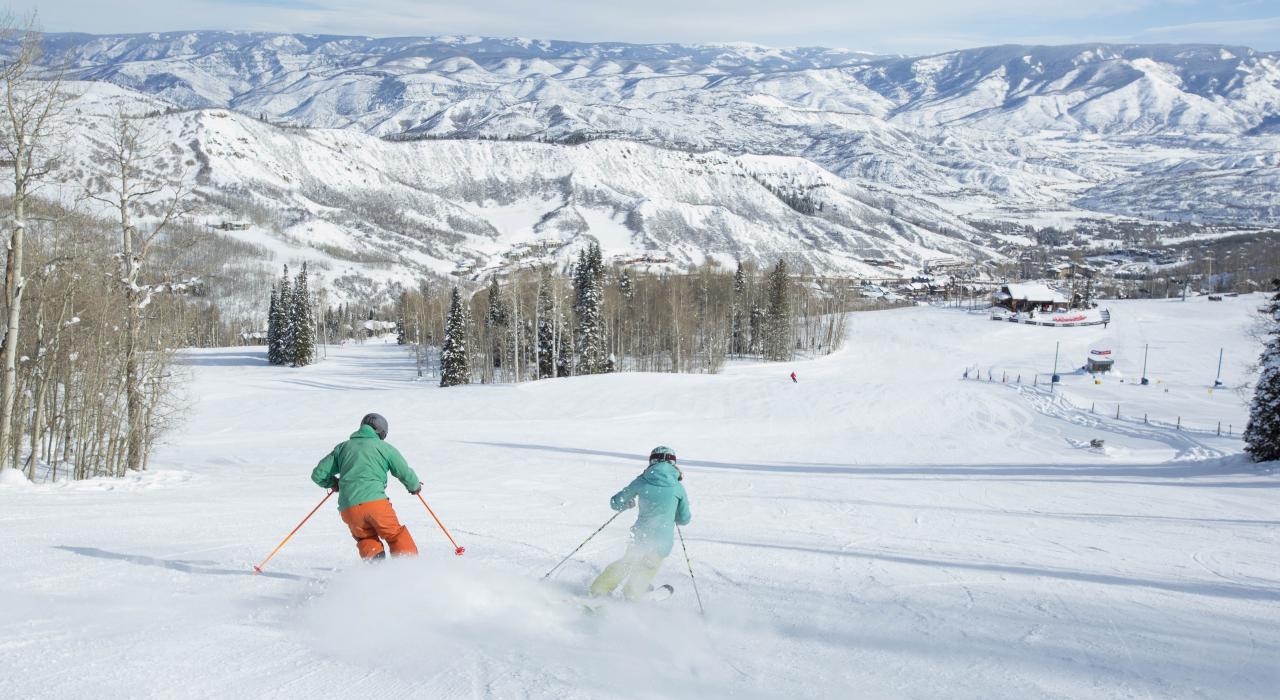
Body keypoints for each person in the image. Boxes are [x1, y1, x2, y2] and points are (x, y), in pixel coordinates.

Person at [311, 413, 421, 560]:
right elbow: (403, 471)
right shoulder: (384, 448)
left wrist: (333, 483)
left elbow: (318, 474)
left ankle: (374, 577)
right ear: (381, 432)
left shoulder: (343, 448)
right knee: (395, 535)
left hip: (349, 508)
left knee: (366, 539)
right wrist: (414, 486)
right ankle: (409, 570)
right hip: (375, 503)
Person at [589, 446, 691, 600]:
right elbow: (684, 519)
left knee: (628, 562)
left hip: (641, 535)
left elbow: (616, 502)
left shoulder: (642, 481)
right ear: (673, 464)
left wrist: (626, 503)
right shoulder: (678, 488)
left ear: (652, 461)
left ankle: (599, 590)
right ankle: (632, 595)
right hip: (662, 540)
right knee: (648, 567)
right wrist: (673, 512)